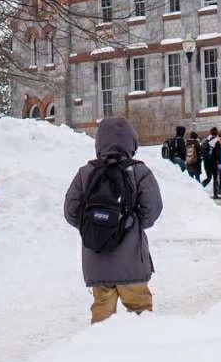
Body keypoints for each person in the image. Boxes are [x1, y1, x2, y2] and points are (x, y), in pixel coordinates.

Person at [64, 116, 164, 323]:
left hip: (96, 259)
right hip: (132, 263)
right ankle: (144, 353)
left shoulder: (86, 172)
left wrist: (94, 228)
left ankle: (101, 353)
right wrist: (132, 226)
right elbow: (152, 208)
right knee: (141, 312)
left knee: (102, 316)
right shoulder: (139, 171)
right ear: (131, 143)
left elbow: (71, 211)